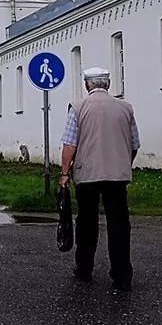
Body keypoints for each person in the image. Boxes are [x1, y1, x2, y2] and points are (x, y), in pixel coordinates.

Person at [59, 67, 140, 292]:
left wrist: (65, 174)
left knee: (86, 221)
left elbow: (69, 144)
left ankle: (84, 268)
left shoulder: (78, 107)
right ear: (108, 84)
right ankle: (122, 276)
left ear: (87, 85)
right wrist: (124, 163)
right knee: (119, 224)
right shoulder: (126, 108)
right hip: (117, 175)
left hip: (87, 175)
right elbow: (134, 144)